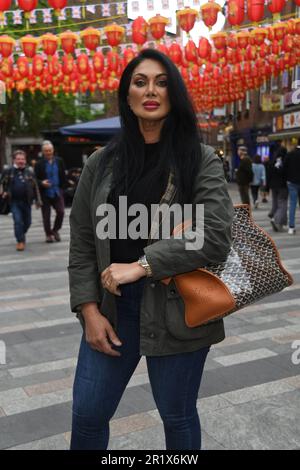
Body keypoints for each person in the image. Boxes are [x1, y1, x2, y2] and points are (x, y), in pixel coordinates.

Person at [68, 49, 233, 451]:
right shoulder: (101, 164)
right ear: (127, 96)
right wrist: (89, 311)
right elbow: (83, 244)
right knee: (87, 416)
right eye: (140, 82)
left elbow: (214, 235)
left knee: (177, 418)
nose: (151, 90)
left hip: (178, 310)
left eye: (161, 81)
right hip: (114, 309)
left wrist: (142, 265)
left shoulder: (199, 160)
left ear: (173, 93)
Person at [0, 150, 41, 251]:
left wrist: (38, 200)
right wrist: (3, 192)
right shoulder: (8, 171)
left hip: (27, 202)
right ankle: (20, 241)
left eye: (22, 159)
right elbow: (2, 183)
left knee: (28, 222)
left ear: (25, 160)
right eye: (18, 159)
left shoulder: (30, 171)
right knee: (18, 221)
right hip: (14, 202)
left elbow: (35, 186)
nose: (21, 161)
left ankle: (20, 234)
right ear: (14, 160)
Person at [34, 140, 67, 243]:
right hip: (45, 193)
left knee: (61, 212)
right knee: (46, 216)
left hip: (57, 191)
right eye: (46, 151)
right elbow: (34, 179)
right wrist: (42, 182)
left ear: (53, 150)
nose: (48, 152)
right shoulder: (39, 164)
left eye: (50, 150)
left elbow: (63, 176)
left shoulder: (59, 161)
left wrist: (63, 189)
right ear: (43, 152)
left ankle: (55, 230)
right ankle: (48, 234)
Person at [268, 146, 288, 232]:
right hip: (282, 186)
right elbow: (286, 173)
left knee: (275, 203)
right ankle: (276, 220)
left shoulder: (272, 161)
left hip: (273, 186)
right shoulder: (285, 161)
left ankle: (280, 222)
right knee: (283, 204)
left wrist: (267, 187)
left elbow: (269, 174)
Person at [283, 140, 300, 234]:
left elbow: (284, 167)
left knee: (292, 204)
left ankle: (291, 227)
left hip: (292, 182)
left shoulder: (290, 154)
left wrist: (287, 178)